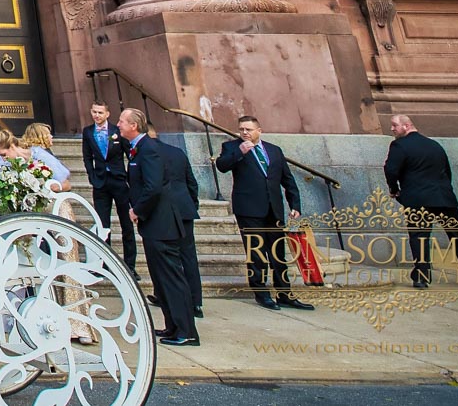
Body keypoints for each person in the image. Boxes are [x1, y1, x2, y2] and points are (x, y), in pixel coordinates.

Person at [216, 114, 315, 311]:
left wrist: (295, 204)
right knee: (257, 253)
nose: (244, 132)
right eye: (241, 129)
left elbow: (287, 179)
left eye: (248, 129)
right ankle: (261, 293)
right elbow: (222, 166)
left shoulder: (274, 151)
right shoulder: (232, 148)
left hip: (273, 209)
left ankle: (284, 294)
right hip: (249, 209)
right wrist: (240, 153)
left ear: (258, 131)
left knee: (277, 253)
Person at [384, 114, 458, 290]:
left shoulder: (399, 144)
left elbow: (390, 169)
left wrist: (394, 190)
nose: (392, 129)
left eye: (394, 125)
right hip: (444, 198)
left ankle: (421, 277)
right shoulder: (435, 145)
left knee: (420, 237)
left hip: (417, 200)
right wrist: (443, 191)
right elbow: (447, 171)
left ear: (406, 126)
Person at [122, 108, 199, 345]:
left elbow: (153, 187)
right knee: (161, 278)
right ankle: (173, 326)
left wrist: (137, 210)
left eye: (122, 121)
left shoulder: (149, 150)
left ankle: (186, 331)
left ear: (134, 125)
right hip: (154, 224)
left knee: (171, 278)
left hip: (162, 223)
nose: (119, 124)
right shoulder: (139, 149)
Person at [81, 101, 137, 278]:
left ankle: (129, 265)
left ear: (107, 114)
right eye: (94, 112)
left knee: (126, 224)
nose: (96, 115)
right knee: (102, 224)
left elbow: (130, 154)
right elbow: (87, 156)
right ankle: (103, 264)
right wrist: (92, 176)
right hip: (100, 182)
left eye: (100, 112)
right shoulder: (88, 132)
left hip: (119, 181)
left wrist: (129, 177)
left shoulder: (116, 130)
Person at [19, 123, 73, 192]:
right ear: (42, 137)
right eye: (49, 134)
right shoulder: (40, 154)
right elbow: (60, 178)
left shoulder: (36, 151)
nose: (51, 136)